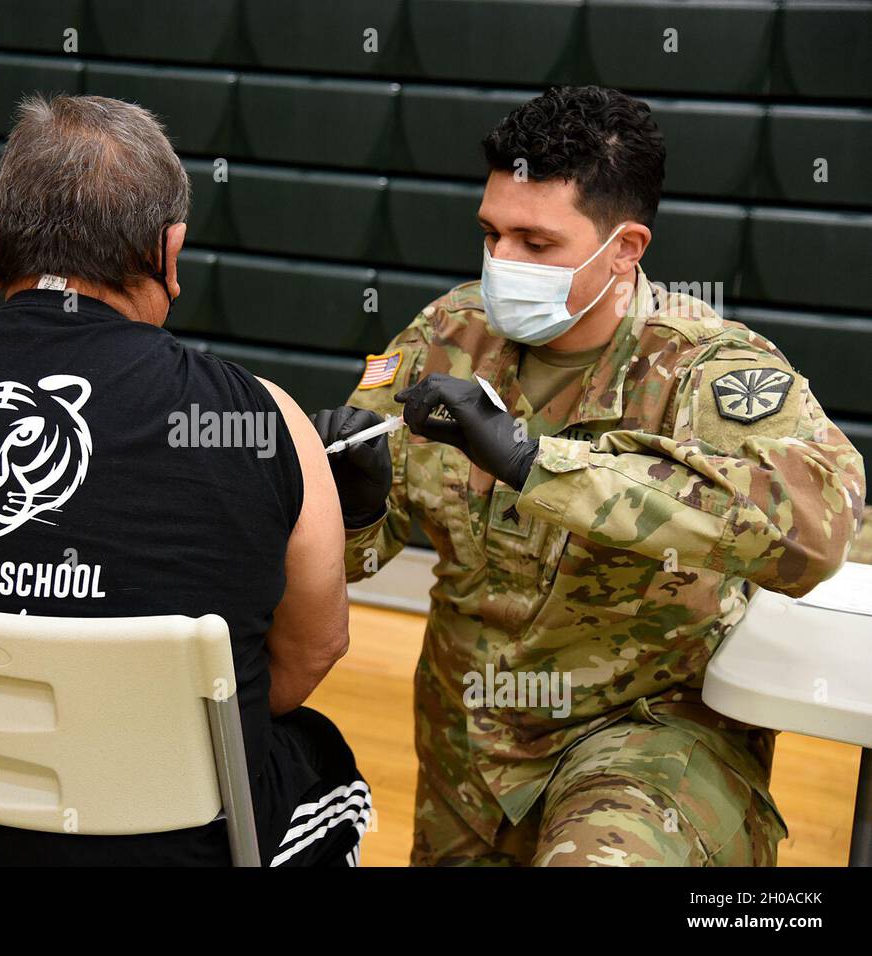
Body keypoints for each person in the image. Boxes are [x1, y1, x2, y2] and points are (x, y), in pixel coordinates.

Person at [313, 85, 865, 866]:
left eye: (536, 245)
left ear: (626, 248)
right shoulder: (449, 335)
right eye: (491, 234)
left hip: (645, 737)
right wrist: (355, 507)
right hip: (469, 745)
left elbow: (814, 536)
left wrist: (536, 463)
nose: (502, 263)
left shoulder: (705, 366)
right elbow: (348, 560)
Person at [0, 93, 369, 866]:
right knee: (323, 764)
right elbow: (310, 655)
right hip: (158, 842)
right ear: (168, 250)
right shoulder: (263, 419)